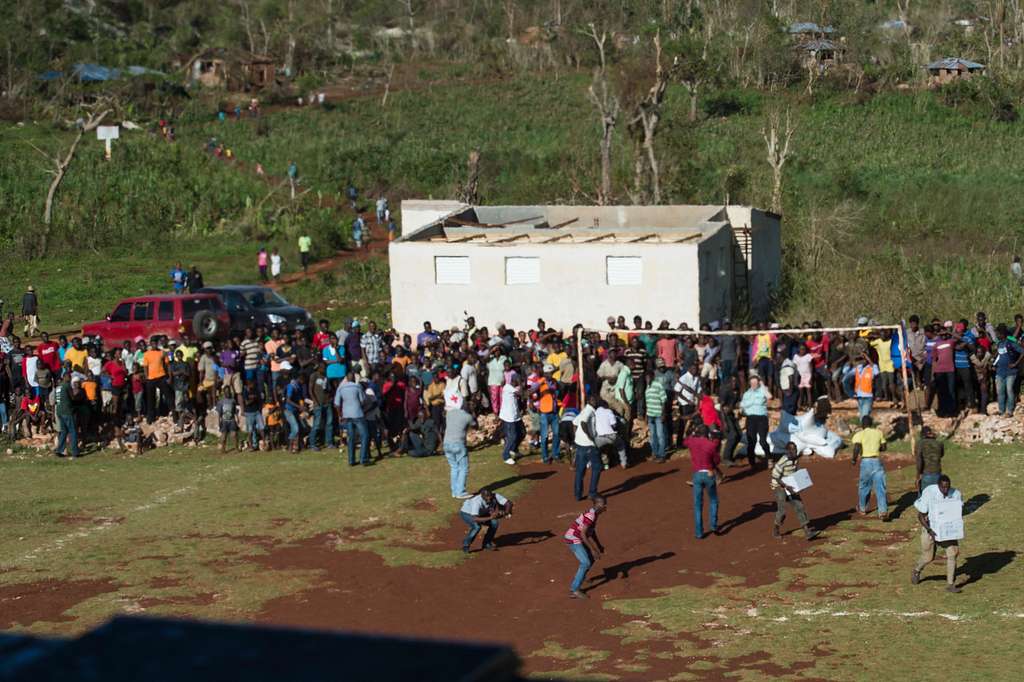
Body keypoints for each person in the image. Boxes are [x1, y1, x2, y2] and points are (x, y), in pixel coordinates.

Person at [912, 475, 963, 593]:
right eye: (943, 487)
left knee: (952, 553)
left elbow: (957, 512)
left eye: (947, 487)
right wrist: (929, 529)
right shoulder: (929, 492)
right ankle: (917, 570)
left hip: (947, 531)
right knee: (928, 557)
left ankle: (950, 584)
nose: (945, 490)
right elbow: (920, 515)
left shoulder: (955, 494)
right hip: (930, 529)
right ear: (938, 485)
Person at [770, 442, 821, 540]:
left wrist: (801, 484)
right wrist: (785, 486)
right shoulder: (782, 461)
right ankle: (776, 529)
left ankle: (807, 531)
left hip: (791, 485)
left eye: (795, 449)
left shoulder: (795, 459)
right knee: (782, 511)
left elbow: (796, 471)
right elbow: (775, 476)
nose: (794, 451)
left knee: (799, 506)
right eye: (792, 449)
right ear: (787, 451)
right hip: (779, 486)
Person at [564, 494, 607, 600]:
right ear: (599, 505)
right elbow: (583, 534)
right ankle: (574, 590)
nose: (606, 507)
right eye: (604, 505)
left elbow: (591, 531)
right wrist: (593, 549)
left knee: (590, 560)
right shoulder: (591, 515)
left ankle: (581, 577)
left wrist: (598, 545)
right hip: (573, 539)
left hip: (577, 538)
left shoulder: (594, 514)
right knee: (586, 562)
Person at [684, 424, 722, 539]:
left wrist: (692, 431)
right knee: (713, 500)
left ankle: (699, 532)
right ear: (707, 434)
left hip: (697, 474)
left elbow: (686, 439)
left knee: (697, 504)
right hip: (708, 473)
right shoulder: (710, 445)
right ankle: (713, 525)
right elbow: (717, 460)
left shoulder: (692, 442)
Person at [851, 415, 888, 521]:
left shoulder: (860, 434)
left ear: (862, 424)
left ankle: (862, 508)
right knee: (880, 487)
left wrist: (854, 459)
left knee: (864, 486)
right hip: (876, 461)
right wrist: (876, 448)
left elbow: (857, 447)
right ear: (871, 424)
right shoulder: (878, 433)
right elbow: (884, 447)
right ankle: (883, 511)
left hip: (866, 462)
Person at [459, 489, 512, 553]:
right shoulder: (477, 502)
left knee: (495, 523)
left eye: (490, 496)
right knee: (476, 527)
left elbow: (508, 503)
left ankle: (487, 544)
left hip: (482, 512)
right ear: (482, 496)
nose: (489, 499)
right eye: (487, 497)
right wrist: (490, 517)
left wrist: (506, 513)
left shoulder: (495, 496)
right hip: (467, 513)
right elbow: (475, 518)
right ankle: (466, 545)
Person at [335, 372, 369, 466]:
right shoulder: (357, 387)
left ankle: (351, 460)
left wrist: (340, 415)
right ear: (354, 378)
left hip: (346, 415)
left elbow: (337, 404)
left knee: (351, 438)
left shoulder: (341, 388)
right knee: (365, 435)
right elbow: (363, 400)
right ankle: (363, 458)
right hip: (357, 414)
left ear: (346, 378)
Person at [444, 404, 477, 500]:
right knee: (463, 468)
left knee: (454, 467)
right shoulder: (468, 417)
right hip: (458, 444)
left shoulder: (450, 413)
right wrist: (473, 414)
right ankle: (461, 492)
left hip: (446, 444)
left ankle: (454, 491)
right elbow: (476, 426)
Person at [739, 374, 771, 468]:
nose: (754, 384)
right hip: (751, 419)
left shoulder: (762, 391)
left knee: (762, 441)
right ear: (749, 383)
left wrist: (762, 384)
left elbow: (770, 396)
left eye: (756, 383)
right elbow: (742, 406)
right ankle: (752, 462)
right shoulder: (746, 394)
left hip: (762, 418)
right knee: (751, 441)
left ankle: (769, 458)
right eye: (752, 383)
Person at [533, 364, 561, 464]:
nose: (550, 375)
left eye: (551, 373)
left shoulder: (554, 382)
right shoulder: (541, 382)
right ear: (545, 373)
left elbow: (557, 391)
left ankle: (555, 454)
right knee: (544, 436)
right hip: (544, 413)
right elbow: (532, 388)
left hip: (554, 412)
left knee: (557, 434)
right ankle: (545, 457)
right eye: (548, 373)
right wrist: (542, 382)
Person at [499, 375, 523, 464]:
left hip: (516, 415)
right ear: (514, 380)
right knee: (512, 436)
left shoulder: (514, 387)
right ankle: (506, 456)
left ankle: (513, 449)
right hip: (509, 417)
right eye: (519, 380)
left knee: (522, 433)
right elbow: (521, 394)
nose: (520, 382)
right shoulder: (508, 387)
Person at [644, 369, 667, 462]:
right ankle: (654, 453)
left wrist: (663, 414)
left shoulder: (658, 385)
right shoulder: (647, 387)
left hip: (658, 414)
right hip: (650, 415)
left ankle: (661, 455)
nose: (647, 379)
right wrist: (646, 415)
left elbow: (663, 400)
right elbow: (647, 402)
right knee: (652, 436)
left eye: (649, 377)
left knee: (660, 435)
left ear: (653, 377)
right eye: (646, 377)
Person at [915, 426, 944, 492]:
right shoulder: (939, 443)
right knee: (936, 495)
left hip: (926, 473)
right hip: (938, 473)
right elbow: (941, 455)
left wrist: (918, 476)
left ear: (922, 434)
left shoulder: (920, 443)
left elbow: (919, 460)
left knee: (924, 497)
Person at [217, 386, 240, 452]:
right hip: (224, 421)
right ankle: (223, 449)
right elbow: (219, 413)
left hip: (232, 420)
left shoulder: (233, 400)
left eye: (228, 391)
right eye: (226, 391)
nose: (227, 393)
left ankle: (236, 448)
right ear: (224, 392)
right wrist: (219, 421)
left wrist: (237, 418)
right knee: (224, 436)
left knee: (234, 435)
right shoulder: (221, 402)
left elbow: (235, 411)